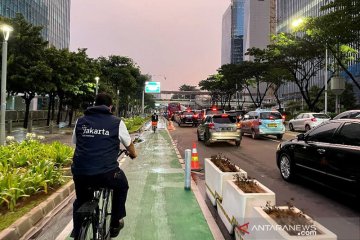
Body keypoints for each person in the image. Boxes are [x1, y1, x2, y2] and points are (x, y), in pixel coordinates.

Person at [71, 93, 137, 239]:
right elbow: (129, 145)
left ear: (94, 104)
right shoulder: (116, 122)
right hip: (106, 173)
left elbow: (75, 142)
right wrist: (133, 154)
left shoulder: (80, 121)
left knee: (80, 201)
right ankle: (115, 222)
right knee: (122, 186)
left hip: (80, 172)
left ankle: (77, 232)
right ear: (110, 107)